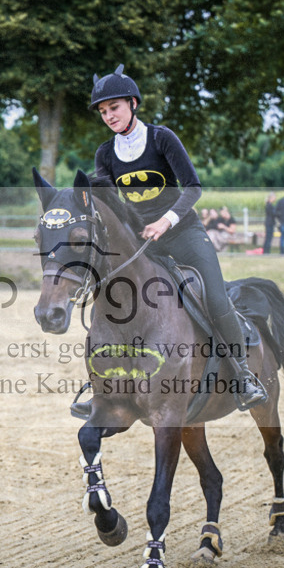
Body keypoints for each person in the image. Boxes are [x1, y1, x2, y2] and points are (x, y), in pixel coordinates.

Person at [88, 64, 267, 410]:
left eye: (115, 108)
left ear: (133, 103)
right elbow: (109, 202)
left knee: (215, 298)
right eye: (104, 111)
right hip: (143, 245)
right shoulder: (105, 154)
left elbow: (194, 188)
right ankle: (102, 382)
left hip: (184, 234)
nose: (109, 116)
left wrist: (165, 222)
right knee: (116, 300)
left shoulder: (161, 138)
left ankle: (244, 376)